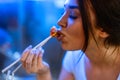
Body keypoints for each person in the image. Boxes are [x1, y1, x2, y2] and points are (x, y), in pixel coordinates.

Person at [20, 0, 120, 80]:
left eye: (73, 15)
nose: (60, 22)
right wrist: (43, 73)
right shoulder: (74, 57)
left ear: (104, 29)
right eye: (64, 11)